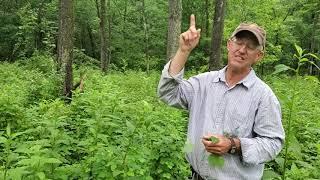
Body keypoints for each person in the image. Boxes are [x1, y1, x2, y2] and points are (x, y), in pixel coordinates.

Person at [157, 14, 285, 180]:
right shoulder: (203, 83)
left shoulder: (263, 96)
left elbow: (273, 143)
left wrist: (233, 145)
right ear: (229, 45)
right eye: (239, 42)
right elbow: (168, 93)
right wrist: (183, 51)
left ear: (258, 56)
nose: (242, 50)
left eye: (251, 46)